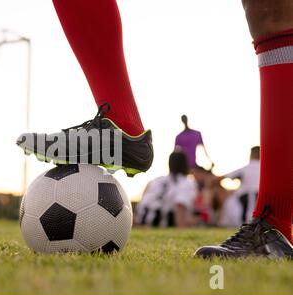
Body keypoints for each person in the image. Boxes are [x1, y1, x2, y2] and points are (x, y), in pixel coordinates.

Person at [17, 0, 293, 259]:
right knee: (269, 11)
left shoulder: (189, 143)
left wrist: (204, 165)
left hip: (188, 168)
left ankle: (274, 225)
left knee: (273, 11)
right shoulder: (185, 140)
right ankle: (122, 123)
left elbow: (200, 150)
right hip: (188, 169)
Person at [136, 151, 198, 228]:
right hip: (161, 223)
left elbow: (143, 203)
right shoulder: (186, 182)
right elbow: (180, 206)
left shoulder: (156, 180)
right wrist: (182, 227)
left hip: (142, 223)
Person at [217, 147, 260, 227]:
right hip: (262, 201)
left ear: (251, 155)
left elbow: (220, 179)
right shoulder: (266, 168)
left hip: (245, 200)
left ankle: (223, 223)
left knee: (230, 201)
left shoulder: (245, 168)